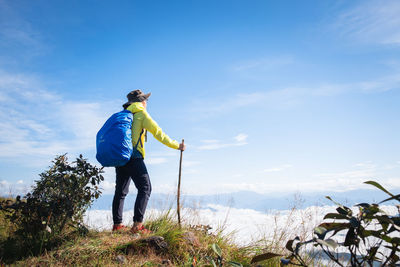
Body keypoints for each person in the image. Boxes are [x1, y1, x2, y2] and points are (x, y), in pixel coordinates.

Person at [112, 89, 185, 233]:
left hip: (120, 157)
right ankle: (137, 225)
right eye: (145, 100)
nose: (146, 103)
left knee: (120, 191)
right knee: (145, 188)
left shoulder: (123, 115)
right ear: (141, 102)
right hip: (134, 156)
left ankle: (117, 225)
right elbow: (159, 133)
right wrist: (177, 145)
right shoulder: (141, 114)